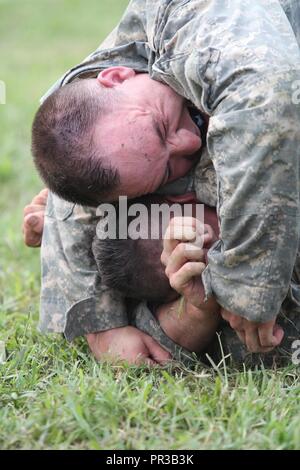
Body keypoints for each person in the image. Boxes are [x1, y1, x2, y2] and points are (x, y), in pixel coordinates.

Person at [26, 0, 300, 363]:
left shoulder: (198, 19)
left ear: (115, 76)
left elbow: (268, 97)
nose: (188, 142)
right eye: (170, 170)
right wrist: (102, 321)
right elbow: (75, 154)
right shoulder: (108, 114)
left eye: (160, 127)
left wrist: (246, 282)